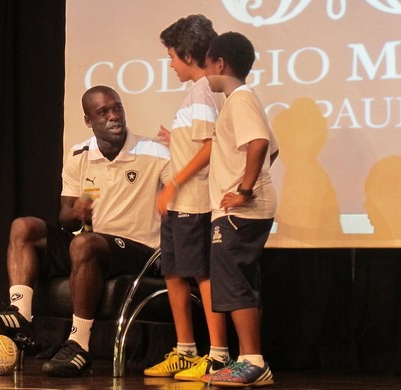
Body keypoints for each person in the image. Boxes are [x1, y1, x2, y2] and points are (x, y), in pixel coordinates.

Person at [0, 85, 171, 377]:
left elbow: (184, 189)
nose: (114, 116)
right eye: (103, 112)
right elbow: (66, 220)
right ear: (89, 120)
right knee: (24, 227)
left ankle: (79, 344)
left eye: (117, 108)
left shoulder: (153, 151)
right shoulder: (79, 154)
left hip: (138, 249)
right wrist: (75, 212)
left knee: (84, 244)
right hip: (91, 247)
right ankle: (21, 317)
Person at [143, 14, 229, 382]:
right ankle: (185, 350)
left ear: (189, 55)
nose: (170, 64)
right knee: (175, 273)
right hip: (179, 206)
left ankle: (219, 355)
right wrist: (172, 140)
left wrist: (174, 182)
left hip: (193, 203)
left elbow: (211, 146)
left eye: (172, 57)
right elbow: (195, 141)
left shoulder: (203, 91)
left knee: (201, 274)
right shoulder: (193, 94)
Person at [201, 31, 278, 387]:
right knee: (242, 282)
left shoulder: (241, 98)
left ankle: (253, 361)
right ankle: (250, 358)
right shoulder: (241, 100)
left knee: (234, 284)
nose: (205, 73)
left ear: (220, 63)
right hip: (240, 212)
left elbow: (261, 143)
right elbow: (271, 150)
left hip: (239, 213)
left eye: (207, 65)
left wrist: (245, 190)